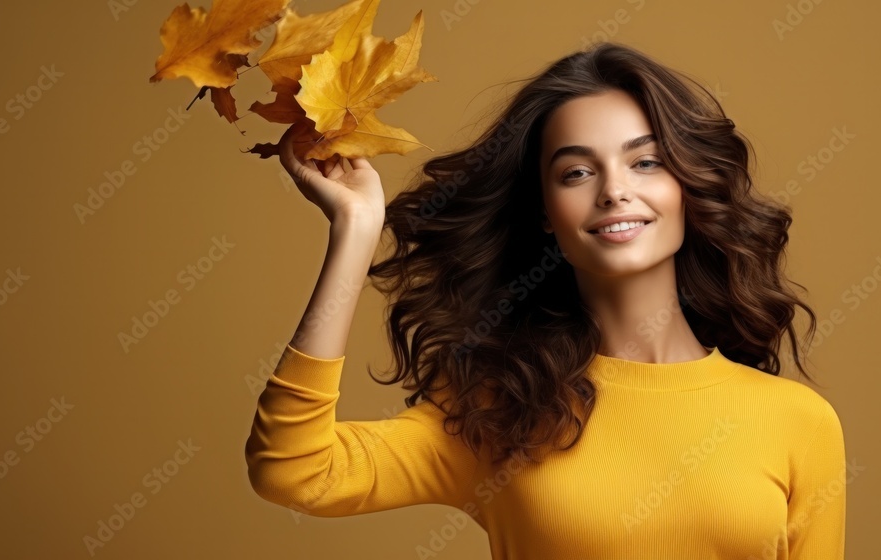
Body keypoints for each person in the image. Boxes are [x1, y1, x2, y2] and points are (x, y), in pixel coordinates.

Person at [245, 41, 846, 559]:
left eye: (646, 162)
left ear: (688, 185)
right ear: (545, 213)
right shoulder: (499, 410)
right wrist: (355, 229)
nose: (615, 190)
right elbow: (295, 470)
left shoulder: (799, 423)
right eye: (577, 173)